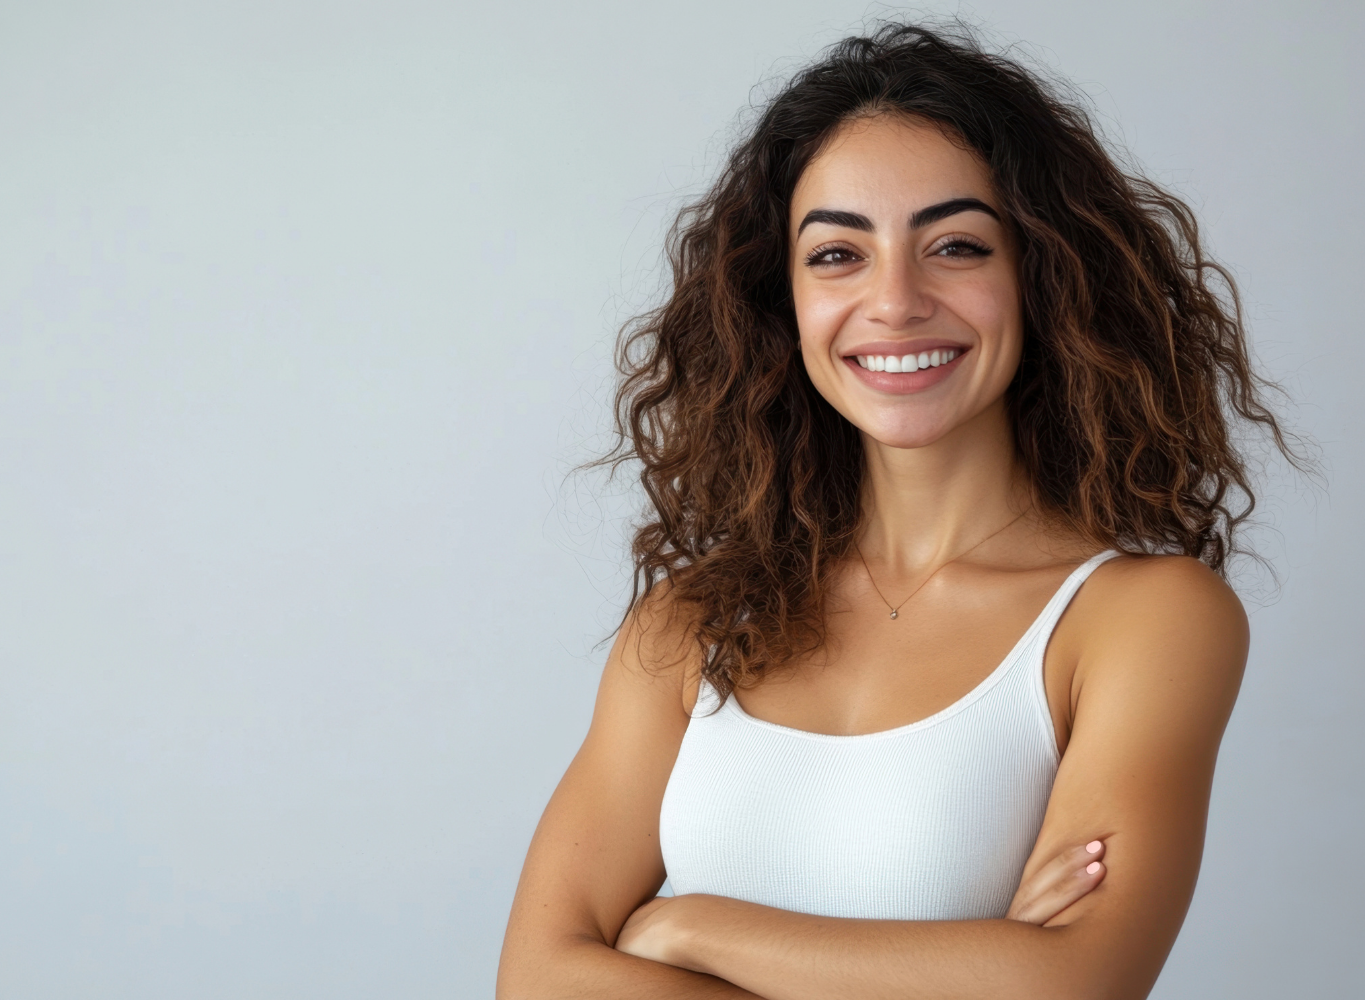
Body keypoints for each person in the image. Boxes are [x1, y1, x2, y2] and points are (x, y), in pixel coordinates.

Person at [497, 23, 1288, 1000]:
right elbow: (535, 978)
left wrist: (680, 925)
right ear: (779, 301)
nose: (896, 300)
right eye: (837, 254)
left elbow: (1067, 986)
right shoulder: (690, 625)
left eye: (955, 244)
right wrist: (966, 963)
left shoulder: (1143, 619)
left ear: (1041, 275)